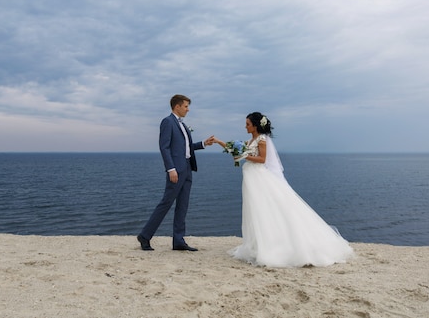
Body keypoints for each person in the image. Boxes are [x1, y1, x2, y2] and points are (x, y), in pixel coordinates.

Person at [213, 112, 354, 267]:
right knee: (256, 210)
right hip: (251, 178)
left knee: (265, 209)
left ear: (255, 125)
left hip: (259, 178)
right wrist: (219, 141)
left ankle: (275, 245)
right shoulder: (251, 140)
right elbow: (235, 150)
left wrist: (245, 155)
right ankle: (258, 244)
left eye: (247, 124)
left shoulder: (261, 139)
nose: (245, 126)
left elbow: (262, 159)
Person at [137, 94, 215, 252]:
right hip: (176, 170)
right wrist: (170, 169)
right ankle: (145, 236)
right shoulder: (167, 122)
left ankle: (178, 241)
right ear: (177, 106)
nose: (188, 109)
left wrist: (203, 144)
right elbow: (164, 147)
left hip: (187, 168)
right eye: (186, 106)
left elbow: (185, 147)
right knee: (166, 203)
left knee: (183, 205)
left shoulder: (183, 125)